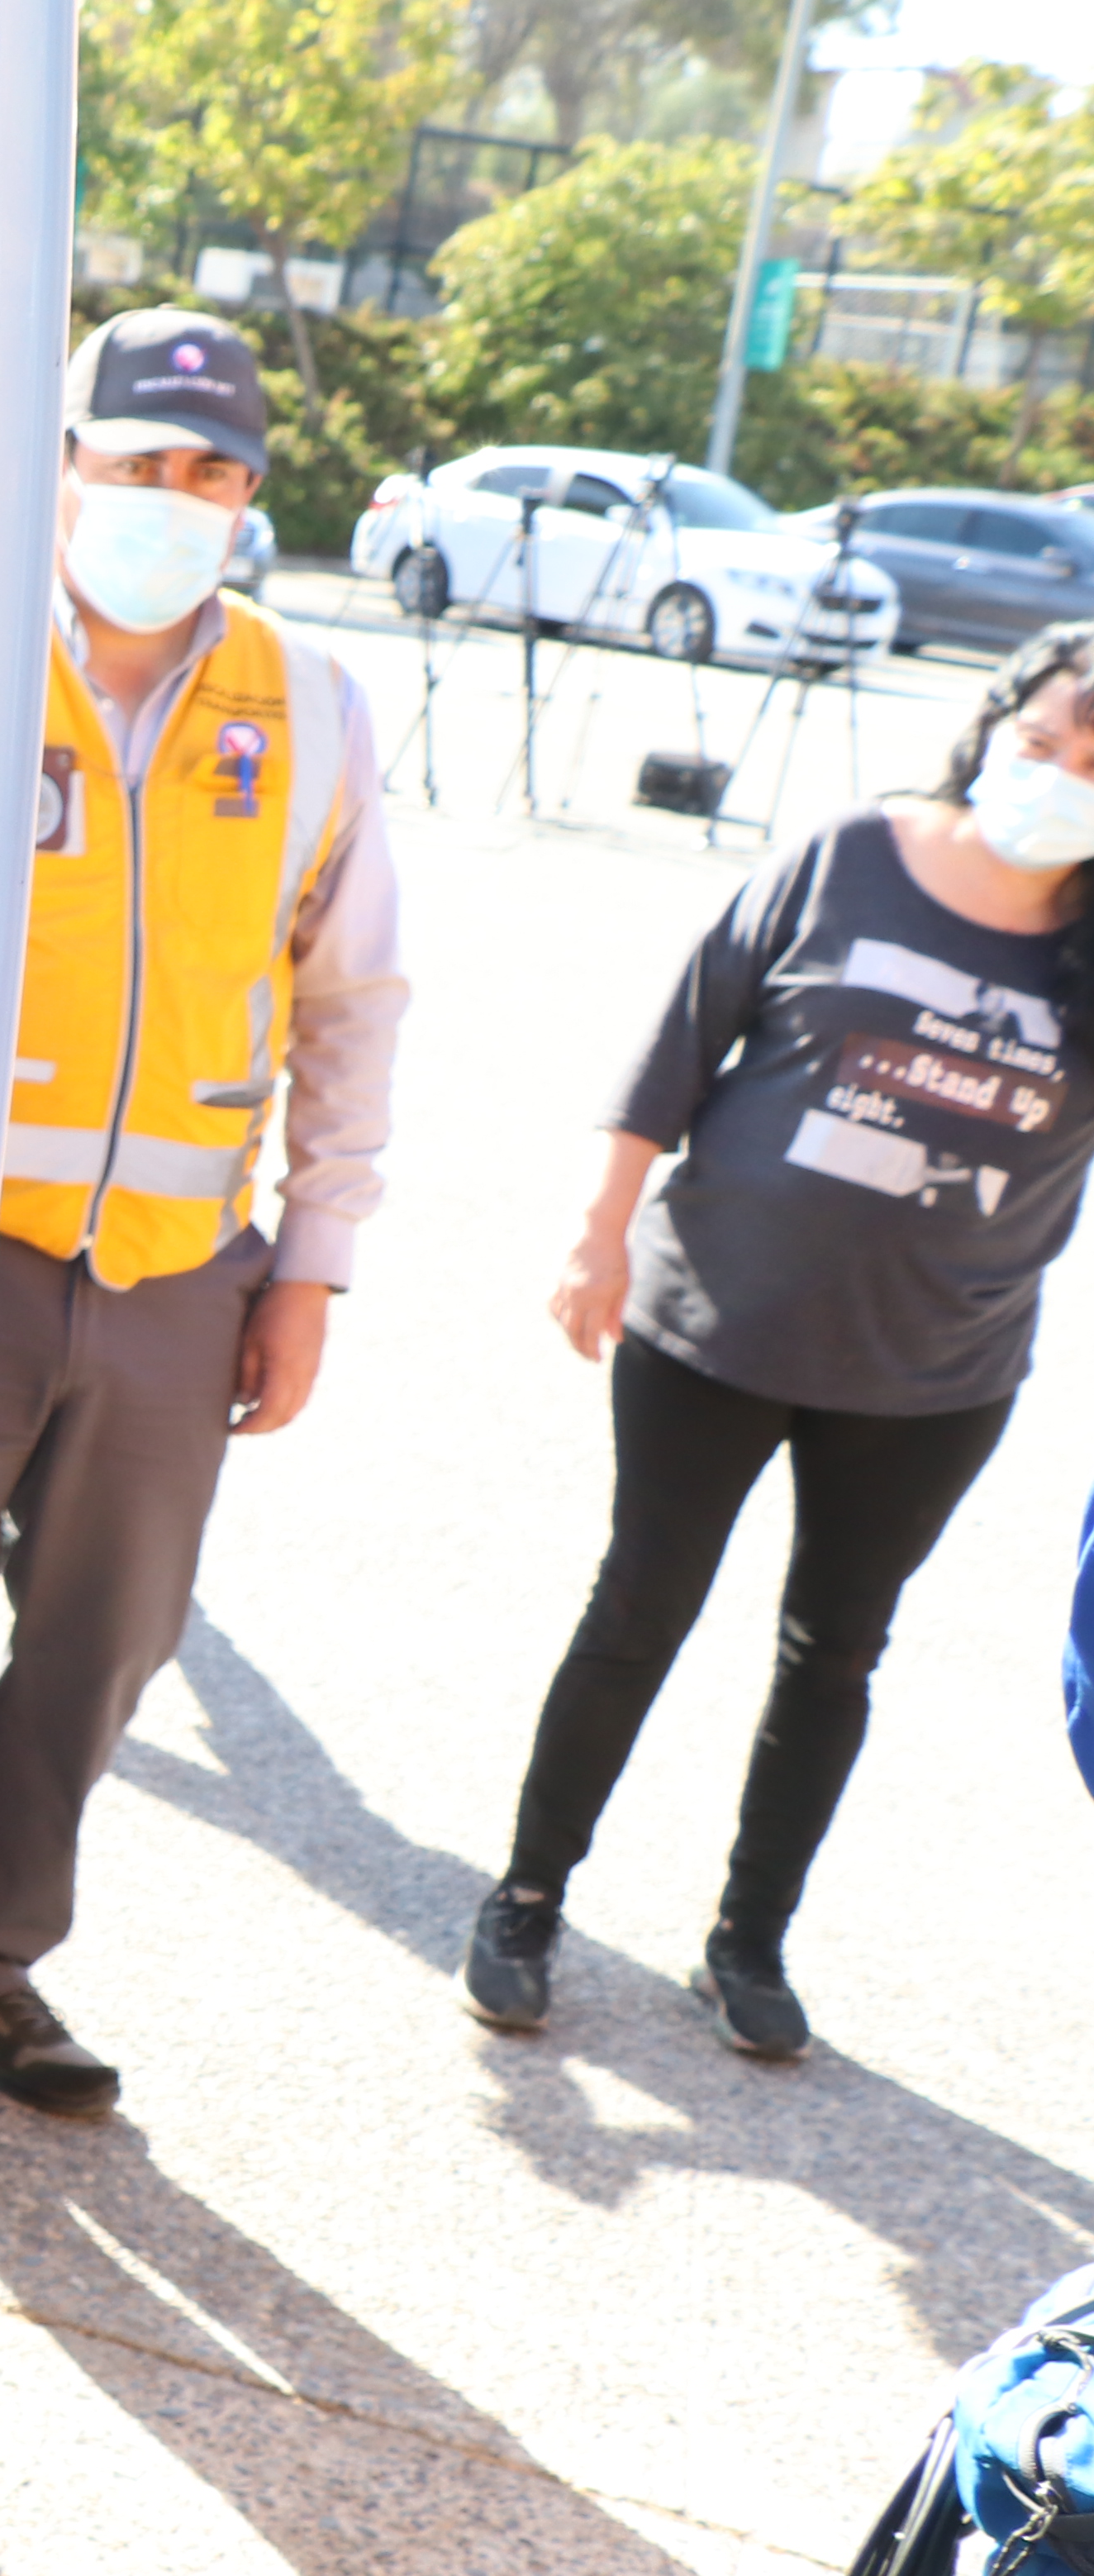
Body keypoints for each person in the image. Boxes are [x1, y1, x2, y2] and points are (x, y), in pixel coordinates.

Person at [0, 307, 406, 2137]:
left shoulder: (308, 706)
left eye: (211, 471)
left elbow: (349, 1000)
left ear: (251, 493)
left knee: (106, 1640)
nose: (172, 499)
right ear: (65, 465)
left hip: (183, 1270)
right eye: (138, 462)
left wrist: (311, 1262)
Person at [469, 621, 1094, 2057]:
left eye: (1092, 767)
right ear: (998, 721)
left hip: (933, 1376)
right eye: (1043, 740)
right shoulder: (851, 856)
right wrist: (600, 1225)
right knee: (638, 1611)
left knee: (835, 1654)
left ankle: (748, 1943)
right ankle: (525, 1900)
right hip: (713, 1327)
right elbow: (685, 1033)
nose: (1056, 778)